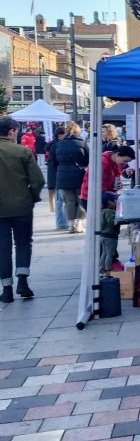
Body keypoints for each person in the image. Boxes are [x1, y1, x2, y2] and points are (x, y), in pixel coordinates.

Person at [0, 117, 45, 303]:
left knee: (2, 248)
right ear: (11, 131)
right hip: (22, 207)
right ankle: (23, 282)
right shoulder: (22, 152)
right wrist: (31, 197)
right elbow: (38, 180)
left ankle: (7, 289)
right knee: (23, 244)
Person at [54, 121, 89, 234]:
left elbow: (54, 161)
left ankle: (70, 225)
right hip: (79, 175)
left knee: (69, 201)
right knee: (81, 200)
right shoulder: (82, 143)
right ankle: (79, 224)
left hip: (63, 175)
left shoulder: (58, 144)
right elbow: (87, 160)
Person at [46, 127, 67, 231]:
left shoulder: (52, 144)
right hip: (59, 175)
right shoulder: (57, 145)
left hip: (54, 175)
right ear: (60, 135)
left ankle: (61, 222)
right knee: (61, 200)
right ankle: (61, 223)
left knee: (59, 200)